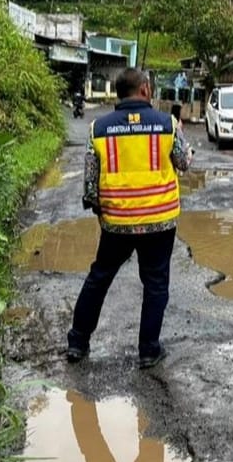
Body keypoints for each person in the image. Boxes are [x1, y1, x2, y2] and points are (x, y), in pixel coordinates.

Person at [67, 68, 194, 369]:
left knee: (99, 279)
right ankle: (148, 350)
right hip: (160, 221)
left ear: (118, 92)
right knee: (155, 284)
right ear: (145, 90)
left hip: (117, 221)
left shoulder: (98, 128)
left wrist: (100, 210)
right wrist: (187, 147)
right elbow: (183, 163)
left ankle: (77, 343)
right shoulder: (167, 123)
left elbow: (90, 184)